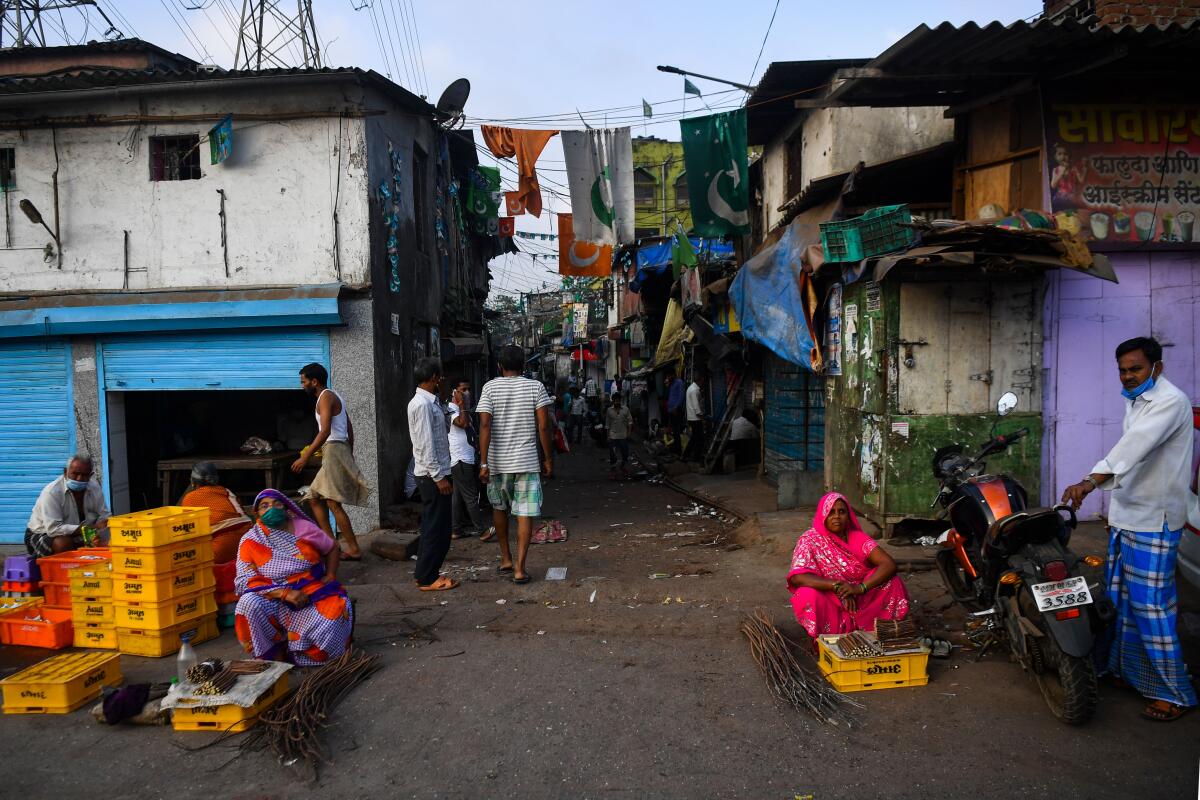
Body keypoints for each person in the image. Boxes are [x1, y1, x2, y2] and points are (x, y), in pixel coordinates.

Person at [1061, 336, 1197, 721]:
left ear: (1157, 366)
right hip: (1129, 515)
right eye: (1122, 369)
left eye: (1135, 368)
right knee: (1121, 603)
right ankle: (1130, 673)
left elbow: (1132, 448)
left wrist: (1088, 482)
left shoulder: (1169, 401)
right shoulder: (1138, 399)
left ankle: (1176, 693)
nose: (1128, 376)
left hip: (1155, 520)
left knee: (1151, 608)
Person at [234, 489, 352, 665]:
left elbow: (332, 547)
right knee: (247, 604)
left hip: (312, 588)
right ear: (256, 512)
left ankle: (304, 655)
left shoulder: (304, 528)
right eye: (264, 506)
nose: (271, 509)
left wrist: (331, 574)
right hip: (272, 594)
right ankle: (273, 657)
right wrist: (282, 592)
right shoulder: (250, 540)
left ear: (287, 508)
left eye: (277, 504)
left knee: (335, 616)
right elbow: (244, 580)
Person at [477, 345, 555, 585]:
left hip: (498, 462)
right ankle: (520, 569)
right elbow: (543, 426)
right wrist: (548, 459)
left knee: (499, 509)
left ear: (500, 365)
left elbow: (485, 425)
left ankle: (506, 559)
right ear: (524, 365)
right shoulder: (536, 387)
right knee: (524, 514)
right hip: (527, 463)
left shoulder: (490, 387)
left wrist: (483, 462)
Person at [786, 492, 910, 640]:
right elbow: (798, 577)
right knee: (807, 594)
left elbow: (888, 564)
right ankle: (825, 639)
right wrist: (838, 587)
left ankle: (880, 631)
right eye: (831, 512)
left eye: (841, 512)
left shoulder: (858, 538)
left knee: (892, 582)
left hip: (860, 597)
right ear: (822, 515)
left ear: (848, 515)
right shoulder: (810, 540)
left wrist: (859, 588)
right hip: (829, 596)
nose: (836, 516)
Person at [291, 363, 370, 561]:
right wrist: (348, 452)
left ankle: (352, 548)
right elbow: (349, 426)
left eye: (304, 381)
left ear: (314, 381)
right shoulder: (333, 395)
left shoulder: (325, 397)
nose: (302, 386)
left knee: (332, 503)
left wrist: (306, 456)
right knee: (314, 498)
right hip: (336, 449)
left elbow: (325, 430)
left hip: (334, 448)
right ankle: (330, 544)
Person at [407, 358, 459, 592]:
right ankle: (427, 577)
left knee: (437, 527)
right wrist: (439, 477)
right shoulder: (421, 404)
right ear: (432, 378)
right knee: (435, 529)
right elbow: (425, 445)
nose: (441, 380)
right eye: (439, 377)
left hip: (436, 472)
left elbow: (441, 433)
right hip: (431, 476)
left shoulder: (432, 402)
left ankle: (427, 573)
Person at [25, 454, 110, 557]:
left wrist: (100, 529)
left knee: (107, 540)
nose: (79, 479)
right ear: (65, 472)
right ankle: (57, 571)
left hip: (82, 532)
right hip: (42, 534)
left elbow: (105, 516)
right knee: (63, 543)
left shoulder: (94, 487)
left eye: (84, 475)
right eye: (75, 474)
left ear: (90, 475)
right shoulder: (52, 492)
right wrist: (92, 527)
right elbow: (53, 529)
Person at [180, 461, 253, 564]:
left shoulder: (189, 498)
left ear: (193, 482)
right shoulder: (226, 491)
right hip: (249, 537)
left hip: (222, 544)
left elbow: (188, 529)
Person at [448, 378, 493, 541]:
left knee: (458, 497)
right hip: (461, 459)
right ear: (455, 392)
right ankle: (481, 530)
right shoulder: (451, 408)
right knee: (471, 496)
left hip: (465, 459)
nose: (467, 393)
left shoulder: (464, 409)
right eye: (463, 389)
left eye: (468, 389)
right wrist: (462, 404)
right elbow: (463, 423)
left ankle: (456, 529)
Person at [606, 392, 634, 478]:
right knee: (613, 454)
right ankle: (613, 471)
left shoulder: (625, 409)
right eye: (615, 401)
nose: (616, 402)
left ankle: (623, 467)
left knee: (625, 453)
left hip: (623, 435)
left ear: (620, 401)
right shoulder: (609, 410)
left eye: (618, 401)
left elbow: (630, 422)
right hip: (613, 435)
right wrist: (608, 436)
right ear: (613, 401)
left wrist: (629, 433)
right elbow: (607, 424)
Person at [683, 372, 707, 462]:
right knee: (699, 438)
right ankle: (695, 457)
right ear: (701, 379)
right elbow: (696, 407)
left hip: (692, 418)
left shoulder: (692, 388)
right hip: (695, 418)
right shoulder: (694, 390)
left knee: (695, 437)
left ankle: (686, 455)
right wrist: (702, 418)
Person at [665, 369, 686, 456]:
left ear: (673, 375)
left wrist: (676, 407)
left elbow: (681, 396)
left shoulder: (679, 382)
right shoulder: (671, 384)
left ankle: (678, 451)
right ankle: (675, 449)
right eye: (667, 376)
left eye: (669, 376)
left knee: (676, 431)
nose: (668, 377)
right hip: (671, 411)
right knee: (673, 431)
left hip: (676, 410)